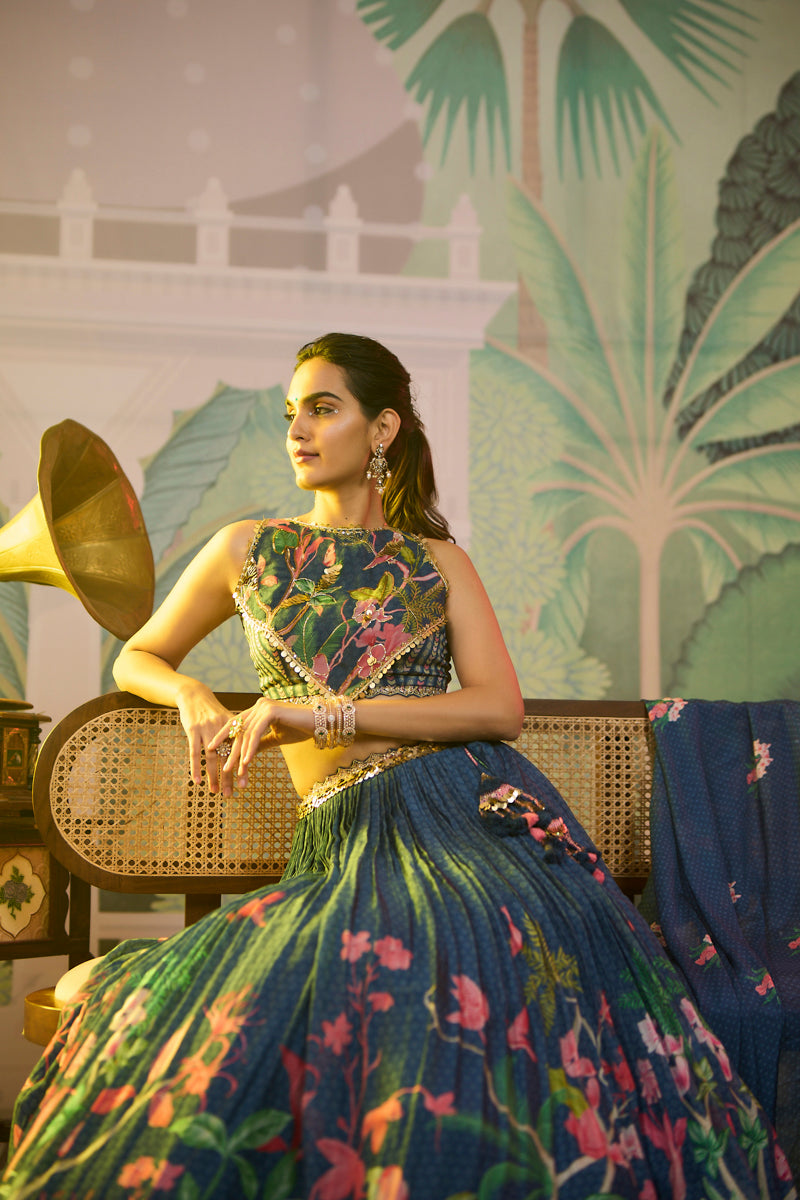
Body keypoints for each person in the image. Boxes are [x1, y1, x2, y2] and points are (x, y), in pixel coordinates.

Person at [1, 333, 794, 1199]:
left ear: (382, 429)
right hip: (346, 840)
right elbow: (137, 657)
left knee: (468, 943)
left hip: (466, 814)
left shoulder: (436, 562)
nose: (297, 430)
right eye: (291, 412)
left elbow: (498, 709)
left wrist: (322, 713)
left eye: (322, 408)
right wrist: (191, 693)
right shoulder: (247, 551)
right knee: (353, 954)